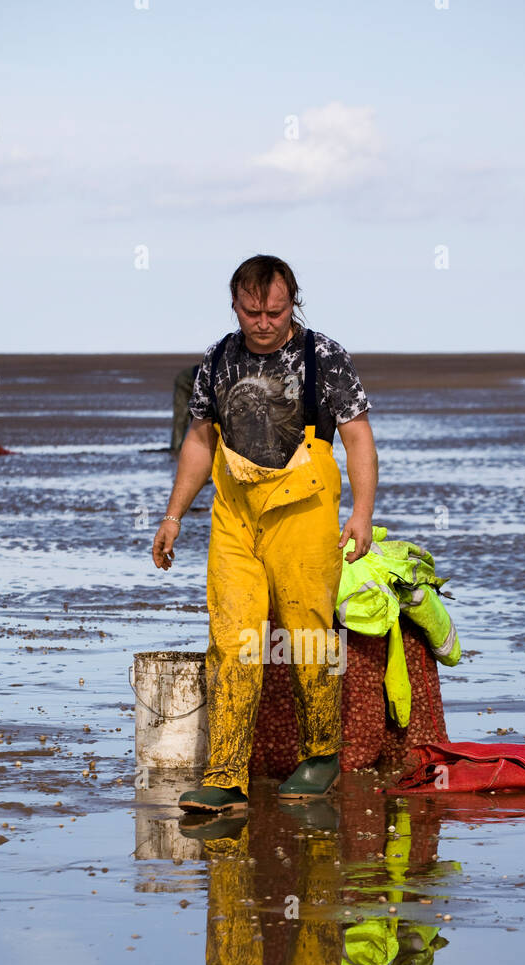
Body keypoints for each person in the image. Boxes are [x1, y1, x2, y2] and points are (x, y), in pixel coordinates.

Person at [152, 254, 378, 813]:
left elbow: (358, 438)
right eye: (252, 311)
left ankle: (322, 753)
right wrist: (174, 514)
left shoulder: (322, 356)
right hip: (236, 520)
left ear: (292, 303)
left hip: (304, 516)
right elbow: (200, 442)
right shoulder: (217, 359)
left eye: (275, 311)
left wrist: (362, 513)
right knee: (232, 642)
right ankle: (227, 777)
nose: (264, 322)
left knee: (307, 639)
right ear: (235, 307)